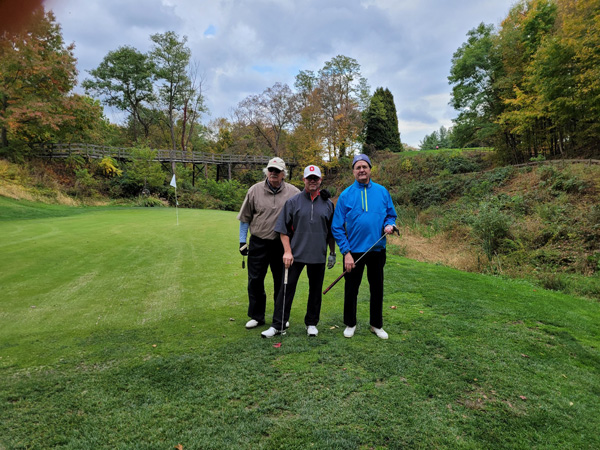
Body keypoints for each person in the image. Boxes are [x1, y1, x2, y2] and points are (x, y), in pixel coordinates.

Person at [261, 165, 336, 338]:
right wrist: (287, 251)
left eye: (315, 178)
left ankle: (311, 323)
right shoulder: (293, 202)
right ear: (303, 180)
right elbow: (283, 230)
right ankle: (278, 324)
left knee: (315, 291)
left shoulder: (328, 204)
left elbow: (331, 232)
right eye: (309, 178)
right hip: (295, 255)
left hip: (318, 255)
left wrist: (332, 253)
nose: (312, 181)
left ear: (320, 180)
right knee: (286, 289)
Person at [331, 154, 397, 340]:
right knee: (351, 289)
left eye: (364, 167)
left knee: (377, 288)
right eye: (358, 167)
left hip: (376, 250)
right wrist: (346, 252)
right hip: (353, 252)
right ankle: (350, 323)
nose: (361, 170)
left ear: (370, 169)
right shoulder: (345, 195)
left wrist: (389, 225)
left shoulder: (382, 192)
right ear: (353, 171)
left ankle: (376, 324)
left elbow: (391, 215)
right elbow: (337, 227)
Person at [238, 157, 300, 329]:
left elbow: (304, 210)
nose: (273, 173)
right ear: (267, 171)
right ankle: (257, 316)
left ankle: (280, 316)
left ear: (283, 174)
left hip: (282, 245)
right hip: (258, 242)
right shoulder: (254, 190)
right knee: (255, 280)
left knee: (282, 281)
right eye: (271, 170)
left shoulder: (294, 192)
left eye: (277, 171)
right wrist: (242, 241)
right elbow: (245, 218)